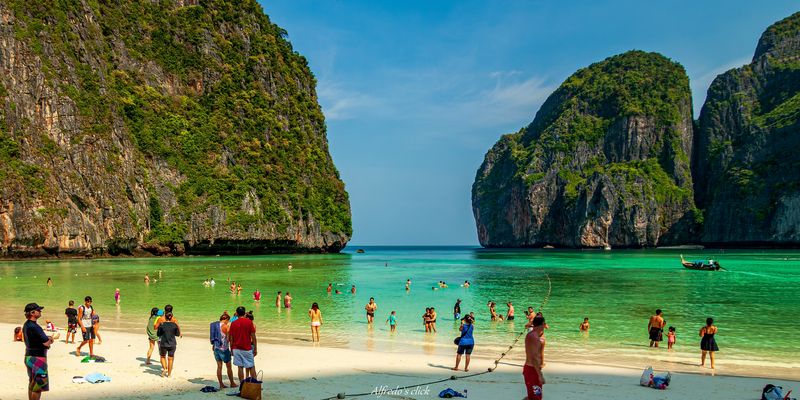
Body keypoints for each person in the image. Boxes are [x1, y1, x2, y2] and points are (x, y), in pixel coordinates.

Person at [23, 303, 53, 400]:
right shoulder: (36, 327)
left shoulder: (26, 324)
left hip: (28, 357)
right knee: (38, 387)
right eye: (38, 310)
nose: (40, 311)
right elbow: (46, 343)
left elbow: (36, 340)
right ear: (32, 313)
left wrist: (47, 340)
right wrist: (51, 339)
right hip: (38, 359)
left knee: (32, 383)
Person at [228, 306, 257, 382]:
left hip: (236, 348)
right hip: (247, 348)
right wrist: (255, 348)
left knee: (240, 367)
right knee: (251, 366)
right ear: (244, 313)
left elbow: (231, 338)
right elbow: (253, 337)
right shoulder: (249, 322)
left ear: (236, 313)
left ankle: (242, 385)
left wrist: (231, 349)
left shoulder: (233, 323)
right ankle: (255, 385)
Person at [523, 314, 546, 400]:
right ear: (543, 324)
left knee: (534, 396)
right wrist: (540, 375)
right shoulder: (534, 337)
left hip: (533, 370)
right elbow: (534, 357)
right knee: (536, 397)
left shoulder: (534, 335)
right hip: (532, 370)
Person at [210, 313, 235, 389]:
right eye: (228, 320)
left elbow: (214, 337)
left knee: (219, 367)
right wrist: (232, 349)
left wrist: (214, 345)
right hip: (224, 349)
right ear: (226, 320)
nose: (228, 322)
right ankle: (232, 383)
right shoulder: (226, 327)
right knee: (229, 367)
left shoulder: (215, 326)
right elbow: (229, 339)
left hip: (216, 348)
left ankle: (221, 384)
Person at [157, 312, 180, 377]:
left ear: (165, 317)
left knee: (162, 356)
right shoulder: (174, 325)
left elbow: (158, 334)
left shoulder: (162, 324)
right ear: (172, 317)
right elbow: (177, 334)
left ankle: (165, 368)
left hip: (163, 343)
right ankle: (169, 374)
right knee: (170, 359)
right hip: (172, 344)